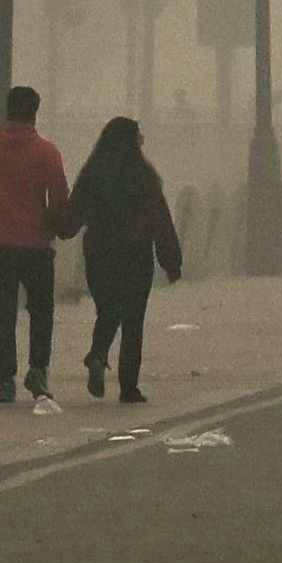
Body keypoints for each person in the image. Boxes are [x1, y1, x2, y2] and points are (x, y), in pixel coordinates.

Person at [0, 84, 70, 405]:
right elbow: (60, 198)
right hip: (35, 245)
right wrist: (49, 222)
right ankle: (37, 369)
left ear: (7, 111)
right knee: (41, 311)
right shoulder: (47, 152)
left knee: (3, 313)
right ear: (35, 112)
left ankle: (5, 379)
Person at [70, 112, 180, 404]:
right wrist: (171, 260)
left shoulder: (92, 173)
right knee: (133, 320)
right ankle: (128, 387)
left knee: (108, 309)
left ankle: (98, 353)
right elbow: (160, 218)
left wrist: (54, 228)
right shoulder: (144, 176)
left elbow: (74, 213)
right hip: (135, 254)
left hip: (98, 253)